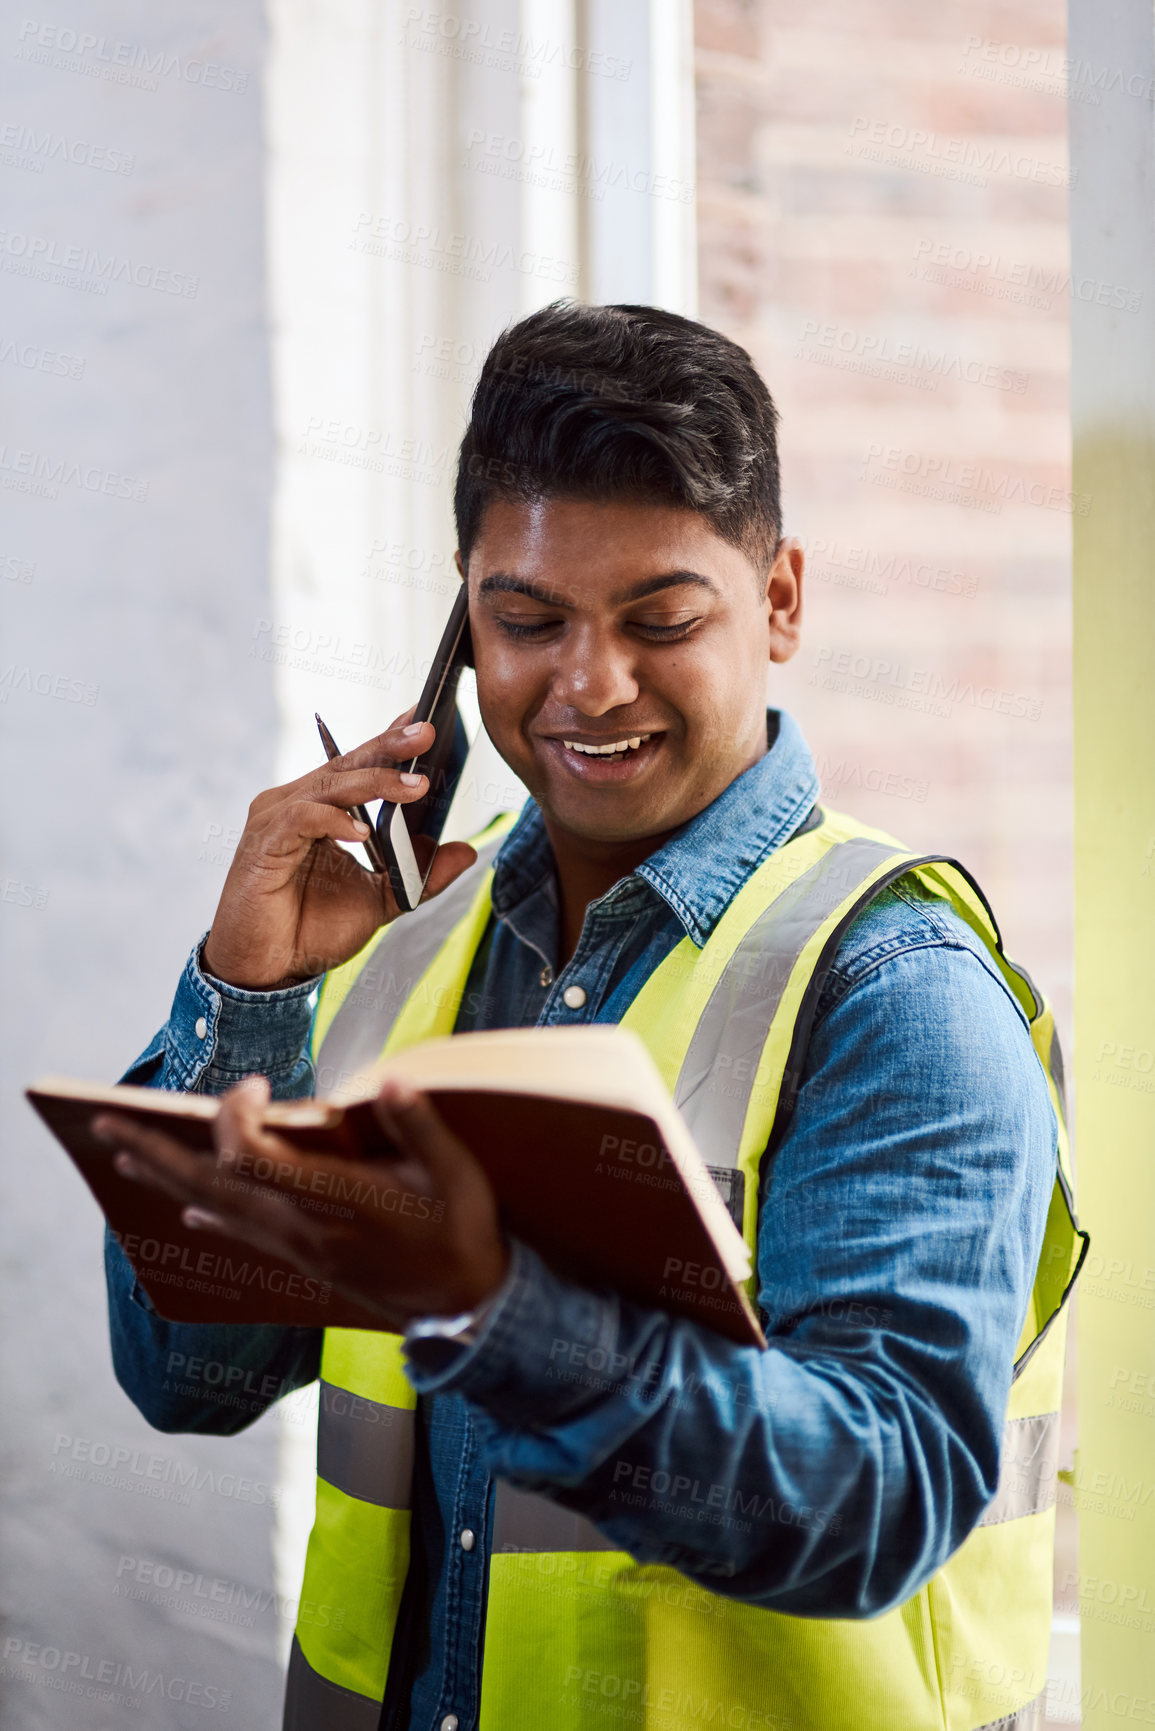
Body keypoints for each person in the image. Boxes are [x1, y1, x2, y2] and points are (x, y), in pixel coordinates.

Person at [98, 303, 1083, 1731]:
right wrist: (249, 997)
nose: (589, 685)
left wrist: (491, 1304)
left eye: (662, 620)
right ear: (463, 616)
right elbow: (188, 1376)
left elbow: (877, 1504)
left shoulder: (895, 994)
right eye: (527, 621)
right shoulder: (401, 951)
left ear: (783, 601)